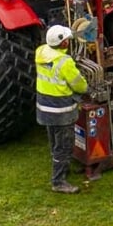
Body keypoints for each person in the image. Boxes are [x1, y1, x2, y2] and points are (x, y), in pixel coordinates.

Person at [35, 24, 89, 194]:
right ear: (63, 44)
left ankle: (62, 169)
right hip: (61, 110)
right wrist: (87, 89)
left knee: (54, 143)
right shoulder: (64, 62)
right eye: (66, 40)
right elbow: (79, 85)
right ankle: (58, 181)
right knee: (64, 146)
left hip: (44, 107)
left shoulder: (41, 52)